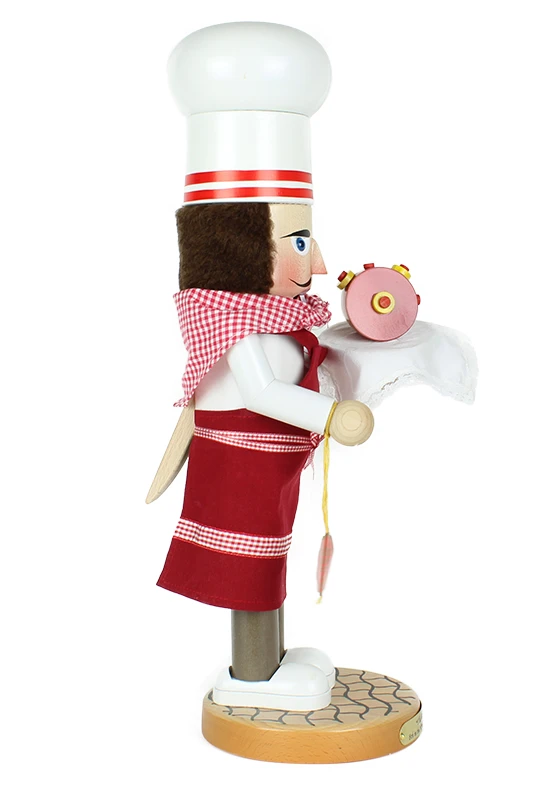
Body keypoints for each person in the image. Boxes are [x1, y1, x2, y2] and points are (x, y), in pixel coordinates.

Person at [156, 200, 373, 711]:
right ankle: (252, 674)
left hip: (268, 466)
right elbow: (262, 393)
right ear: (242, 251)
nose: (317, 263)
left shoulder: (275, 319)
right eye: (299, 242)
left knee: (270, 555)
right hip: (240, 468)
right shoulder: (235, 327)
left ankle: (270, 659)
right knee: (248, 564)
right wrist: (331, 416)